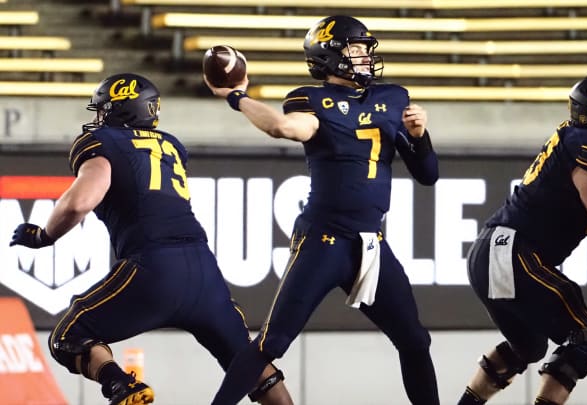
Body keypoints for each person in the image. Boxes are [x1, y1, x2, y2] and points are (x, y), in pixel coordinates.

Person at [8, 73, 294, 405]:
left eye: (103, 110)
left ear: (118, 110)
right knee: (248, 362)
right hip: (204, 270)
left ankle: (121, 386)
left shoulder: (103, 142)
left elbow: (79, 202)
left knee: (68, 336)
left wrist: (44, 236)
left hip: (154, 266)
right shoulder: (171, 144)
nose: (98, 117)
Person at [204, 15, 440, 405]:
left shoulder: (393, 97)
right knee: (272, 341)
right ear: (329, 56)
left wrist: (420, 136)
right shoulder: (312, 100)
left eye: (366, 49)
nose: (365, 56)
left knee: (415, 339)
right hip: (324, 239)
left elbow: (428, 174)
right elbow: (282, 127)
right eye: (355, 48)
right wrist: (236, 96)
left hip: (371, 243)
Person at [459, 72, 587, 405]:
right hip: (514, 251)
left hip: (494, 249)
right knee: (584, 336)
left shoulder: (575, 135)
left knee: (528, 346)